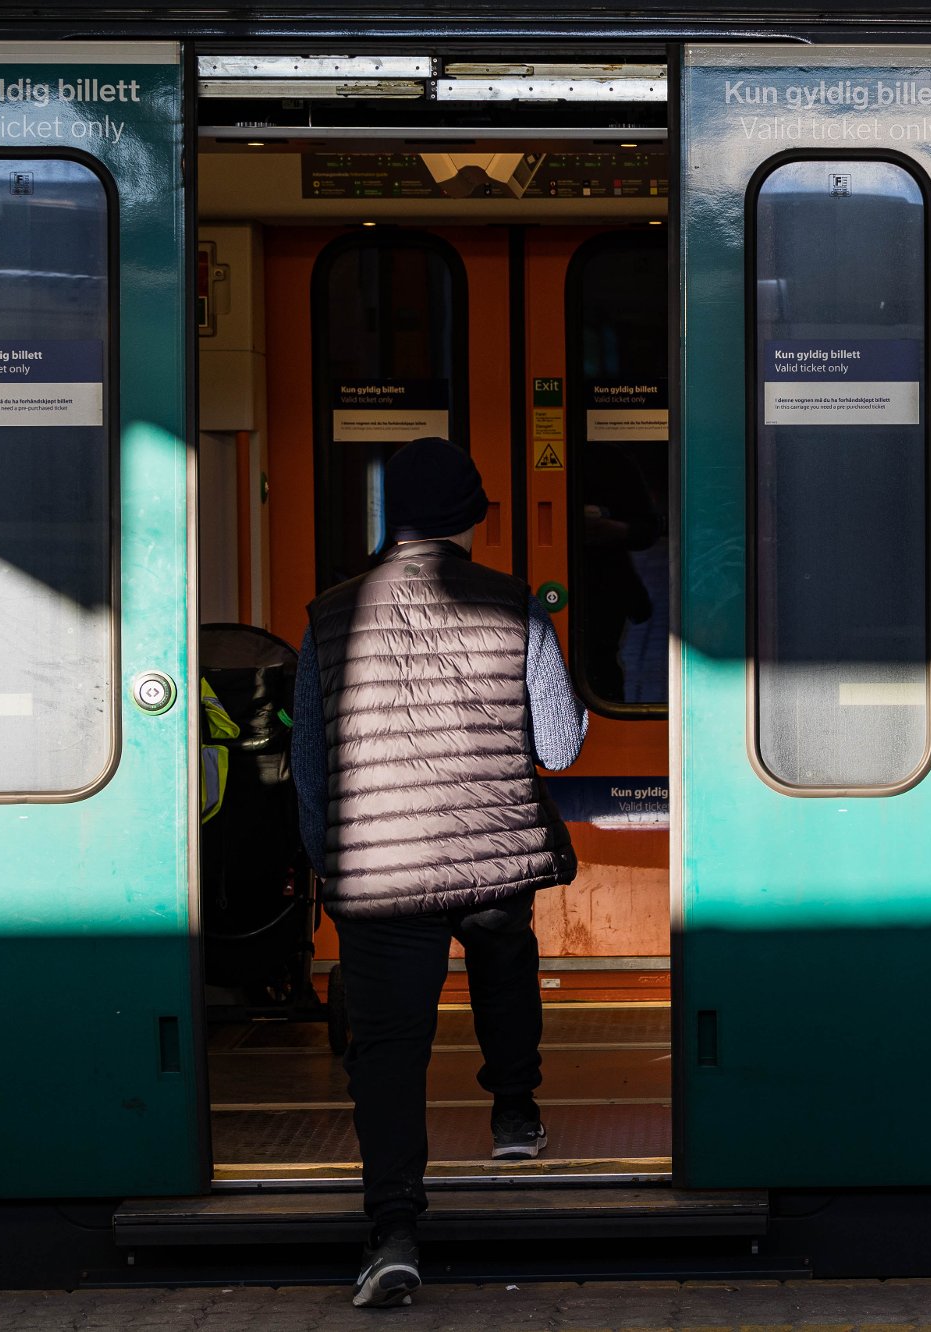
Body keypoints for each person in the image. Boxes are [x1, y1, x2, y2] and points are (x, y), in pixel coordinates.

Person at [290, 437, 587, 1308]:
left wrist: (329, 859)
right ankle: (515, 1115)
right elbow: (560, 743)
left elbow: (312, 762)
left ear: (395, 519)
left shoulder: (328, 616)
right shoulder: (513, 606)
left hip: (378, 862)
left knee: (386, 1049)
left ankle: (393, 1232)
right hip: (490, 853)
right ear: (476, 517)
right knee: (503, 954)